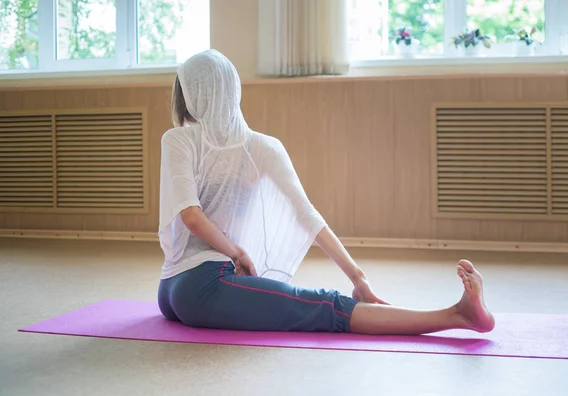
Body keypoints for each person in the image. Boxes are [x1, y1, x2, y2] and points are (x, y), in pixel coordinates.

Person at [157, 50, 495, 335]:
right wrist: (237, 252)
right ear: (233, 90)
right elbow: (306, 218)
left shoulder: (177, 139)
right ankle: (456, 315)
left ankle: (459, 314)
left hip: (169, 289)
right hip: (206, 286)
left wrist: (359, 278)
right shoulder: (262, 147)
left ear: (186, 94)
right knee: (322, 305)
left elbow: (191, 215)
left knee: (311, 304)